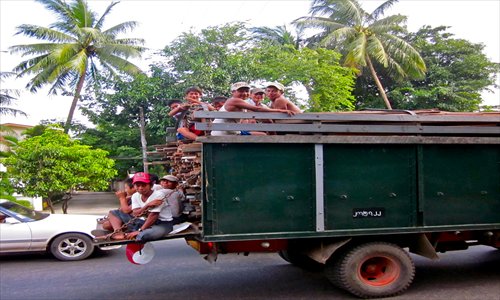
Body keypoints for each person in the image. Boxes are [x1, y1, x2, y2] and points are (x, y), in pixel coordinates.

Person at [210, 82, 295, 136]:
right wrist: (280, 110)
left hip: (232, 131)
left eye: (246, 91)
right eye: (241, 91)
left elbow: (256, 114)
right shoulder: (234, 100)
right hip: (224, 133)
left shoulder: (243, 104)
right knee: (262, 135)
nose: (244, 93)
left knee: (262, 134)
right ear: (233, 92)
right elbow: (257, 109)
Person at [125, 172, 174, 242]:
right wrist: (147, 205)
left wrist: (140, 230)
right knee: (115, 213)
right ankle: (120, 233)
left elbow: (153, 216)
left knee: (142, 236)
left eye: (144, 185)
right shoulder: (135, 196)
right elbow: (136, 213)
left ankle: (139, 233)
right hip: (145, 221)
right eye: (137, 185)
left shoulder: (159, 195)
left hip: (163, 224)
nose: (141, 188)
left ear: (151, 185)